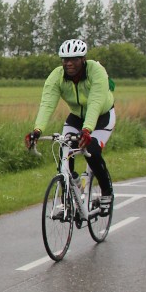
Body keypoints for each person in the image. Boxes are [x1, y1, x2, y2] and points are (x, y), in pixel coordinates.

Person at [24, 38, 115, 210]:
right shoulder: (57, 76)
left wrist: (87, 130)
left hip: (102, 116)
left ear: (83, 59)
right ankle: (71, 186)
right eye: (65, 60)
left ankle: (107, 191)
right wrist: (37, 130)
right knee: (64, 148)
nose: (69, 63)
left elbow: (95, 103)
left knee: (93, 151)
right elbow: (47, 104)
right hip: (76, 116)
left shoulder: (96, 71)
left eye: (74, 59)